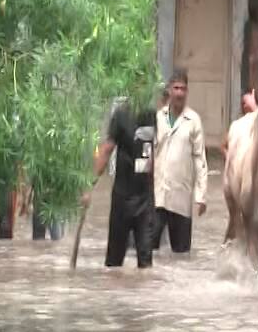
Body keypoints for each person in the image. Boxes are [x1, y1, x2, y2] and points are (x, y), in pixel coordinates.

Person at [84, 99, 156, 268]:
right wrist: (89, 186)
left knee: (146, 264)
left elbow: (152, 151)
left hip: (145, 200)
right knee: (114, 263)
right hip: (123, 198)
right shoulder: (121, 114)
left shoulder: (151, 115)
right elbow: (106, 150)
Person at [152, 68, 208, 253]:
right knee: (148, 251)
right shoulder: (158, 117)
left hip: (181, 197)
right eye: (176, 88)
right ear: (169, 90)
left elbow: (200, 159)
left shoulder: (193, 120)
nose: (179, 93)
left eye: (183, 89)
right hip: (157, 195)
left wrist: (201, 195)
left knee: (181, 255)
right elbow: (150, 152)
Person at [221, 89, 258, 158]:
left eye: (246, 102)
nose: (245, 106)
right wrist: (231, 160)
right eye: (243, 103)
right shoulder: (237, 125)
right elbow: (223, 146)